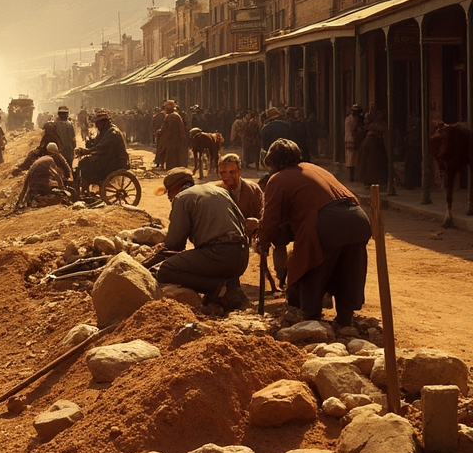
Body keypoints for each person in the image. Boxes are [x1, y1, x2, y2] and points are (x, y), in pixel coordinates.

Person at [258, 138, 372, 326]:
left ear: (273, 162)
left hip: (327, 222)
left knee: (311, 269)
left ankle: (311, 321)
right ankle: (345, 320)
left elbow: (269, 226)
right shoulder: (314, 168)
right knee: (349, 270)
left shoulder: (278, 179)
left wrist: (259, 232)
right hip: (358, 218)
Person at [153, 169, 251, 309]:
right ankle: (229, 286)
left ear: (176, 187)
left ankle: (219, 288)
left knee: (166, 270)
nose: (169, 196)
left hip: (219, 255)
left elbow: (176, 243)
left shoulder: (182, 198)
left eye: (169, 191)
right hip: (241, 257)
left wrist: (163, 246)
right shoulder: (220, 190)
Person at [75, 109, 128, 190]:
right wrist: (89, 143)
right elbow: (97, 143)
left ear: (104, 122)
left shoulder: (113, 132)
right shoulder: (104, 131)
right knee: (86, 162)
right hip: (108, 158)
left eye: (98, 123)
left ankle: (88, 183)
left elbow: (102, 147)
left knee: (85, 163)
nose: (96, 126)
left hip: (115, 161)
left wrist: (87, 151)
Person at [12, 141, 69, 208]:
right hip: (36, 182)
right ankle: (38, 200)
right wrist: (61, 186)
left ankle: (21, 202)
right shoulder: (49, 160)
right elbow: (55, 174)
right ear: (53, 153)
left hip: (31, 179)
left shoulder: (43, 157)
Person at [358, 107, 388, 189]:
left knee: (374, 167)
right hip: (370, 150)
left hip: (374, 150)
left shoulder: (376, 128)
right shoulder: (369, 129)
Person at [155, 100, 187, 170]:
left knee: (170, 155)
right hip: (175, 140)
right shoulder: (176, 115)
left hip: (170, 140)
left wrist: (161, 133)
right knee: (175, 155)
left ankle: (169, 168)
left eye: (166, 107)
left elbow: (168, 128)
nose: (165, 108)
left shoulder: (171, 116)